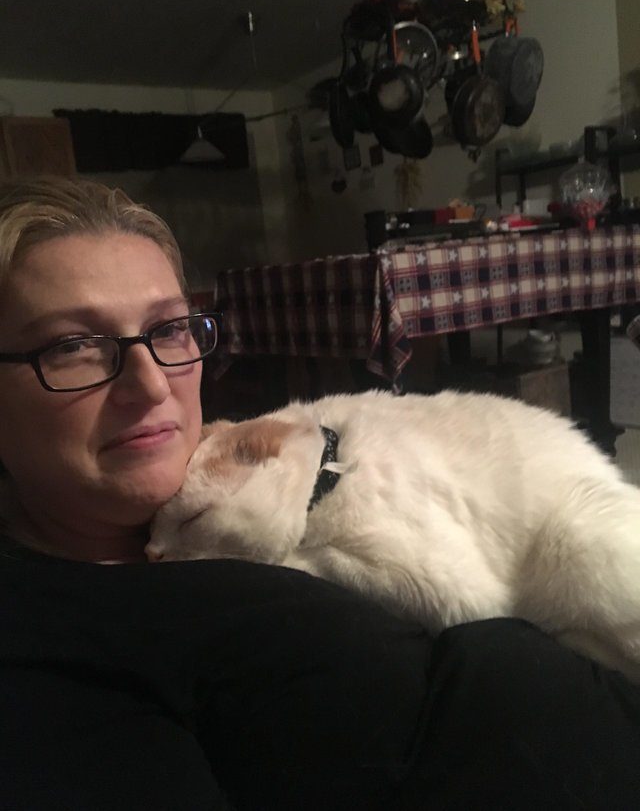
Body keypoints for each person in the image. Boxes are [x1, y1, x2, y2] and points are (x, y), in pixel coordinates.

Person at [0, 177, 639, 811]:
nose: (151, 385)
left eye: (169, 329)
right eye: (73, 346)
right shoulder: (54, 658)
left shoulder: (208, 479)